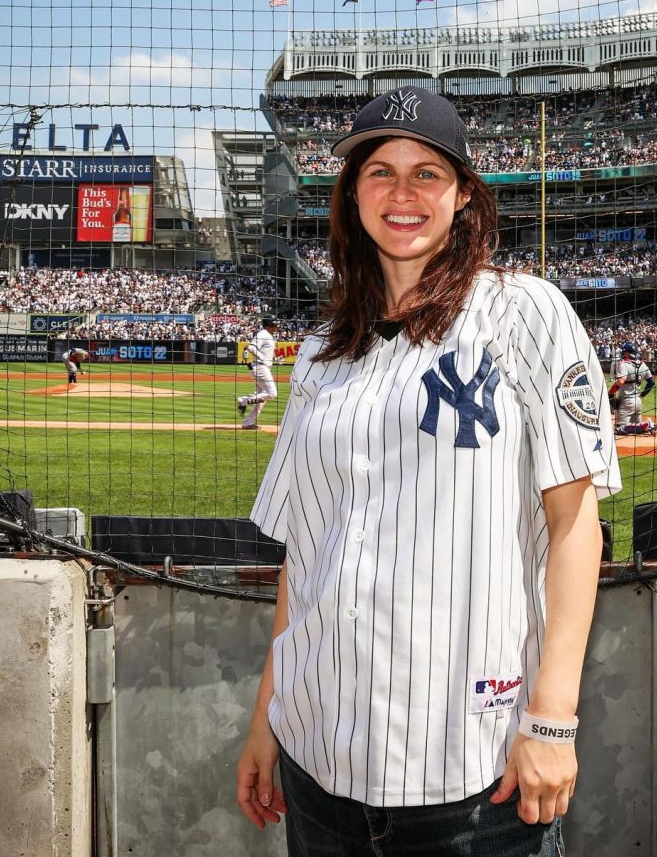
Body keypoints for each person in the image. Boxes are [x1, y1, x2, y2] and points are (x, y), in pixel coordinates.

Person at [236, 86, 621, 855]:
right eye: (379, 171)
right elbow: (305, 553)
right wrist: (265, 718)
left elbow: (576, 525)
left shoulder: (524, 313)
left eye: (426, 173)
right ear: (351, 195)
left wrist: (552, 719)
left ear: (463, 195)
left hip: (474, 781)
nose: (402, 193)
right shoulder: (317, 355)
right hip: (317, 766)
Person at [608, 343, 657, 435]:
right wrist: (642, 395)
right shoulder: (643, 364)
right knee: (637, 428)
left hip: (626, 402)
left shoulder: (624, 364)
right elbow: (651, 382)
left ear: (627, 353)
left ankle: (648, 424)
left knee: (619, 429)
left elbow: (620, 382)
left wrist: (610, 393)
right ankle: (656, 425)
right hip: (638, 402)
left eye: (624, 352)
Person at [237, 315, 279, 430]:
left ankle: (248, 423)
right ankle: (243, 400)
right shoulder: (263, 334)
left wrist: (273, 359)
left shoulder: (268, 336)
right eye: (273, 325)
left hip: (262, 367)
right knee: (272, 393)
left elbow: (265, 352)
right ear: (268, 325)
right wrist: (263, 359)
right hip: (260, 367)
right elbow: (251, 347)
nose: (275, 327)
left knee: (261, 400)